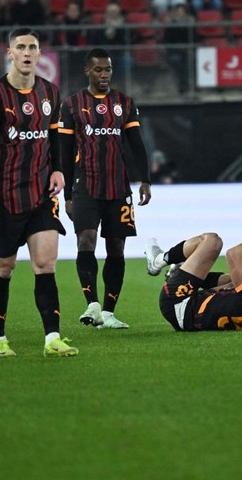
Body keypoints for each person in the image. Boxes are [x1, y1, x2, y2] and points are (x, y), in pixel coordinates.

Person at [0, 27, 78, 358]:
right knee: (3, 267)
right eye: (20, 47)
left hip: (39, 196)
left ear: (38, 53)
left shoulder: (50, 92)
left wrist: (59, 169)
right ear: (10, 53)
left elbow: (54, 141)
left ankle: (52, 338)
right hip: (4, 199)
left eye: (32, 47)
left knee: (46, 264)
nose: (27, 52)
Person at [60, 47, 152, 329]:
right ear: (87, 71)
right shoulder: (72, 104)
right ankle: (92, 303)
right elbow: (63, 152)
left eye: (108, 70)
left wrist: (145, 180)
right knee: (85, 240)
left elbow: (137, 144)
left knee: (116, 248)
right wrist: (66, 195)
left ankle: (109, 312)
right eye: (98, 70)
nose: (103, 75)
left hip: (118, 187)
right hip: (85, 185)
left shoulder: (124, 103)